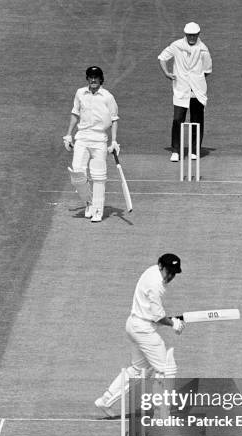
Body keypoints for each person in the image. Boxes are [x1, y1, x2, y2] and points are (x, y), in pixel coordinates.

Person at [95, 253, 185, 417]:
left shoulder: (152, 271)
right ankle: (161, 412)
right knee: (165, 369)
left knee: (138, 370)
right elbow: (158, 316)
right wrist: (174, 323)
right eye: (169, 271)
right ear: (160, 266)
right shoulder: (156, 285)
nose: (171, 276)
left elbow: (153, 315)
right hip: (143, 329)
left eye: (174, 273)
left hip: (135, 324)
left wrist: (169, 321)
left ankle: (105, 401)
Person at [63, 66, 120, 223]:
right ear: (87, 79)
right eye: (90, 77)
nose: (93, 80)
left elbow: (114, 119)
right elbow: (75, 114)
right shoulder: (80, 93)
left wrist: (114, 141)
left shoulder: (107, 97)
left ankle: (97, 210)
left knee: (98, 176)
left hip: (99, 139)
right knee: (77, 173)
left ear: (101, 79)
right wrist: (68, 134)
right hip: (82, 137)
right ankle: (88, 203)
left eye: (96, 77)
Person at [158, 22, 212, 162]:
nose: (192, 37)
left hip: (197, 91)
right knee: (177, 120)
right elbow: (162, 57)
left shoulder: (203, 50)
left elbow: (207, 71)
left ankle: (195, 150)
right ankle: (176, 150)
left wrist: (195, 82)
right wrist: (167, 73)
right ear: (185, 35)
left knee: (197, 120)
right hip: (181, 90)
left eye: (194, 35)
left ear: (198, 34)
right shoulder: (176, 46)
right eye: (189, 35)